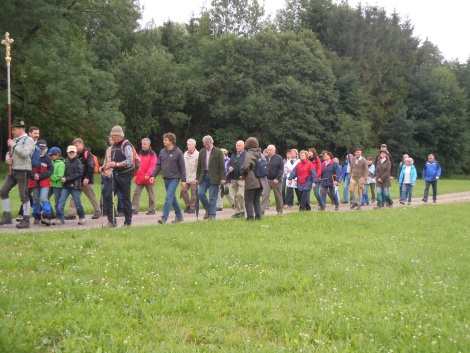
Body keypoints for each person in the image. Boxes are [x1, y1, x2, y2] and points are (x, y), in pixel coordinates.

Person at [0, 118, 36, 228]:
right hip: (13, 170)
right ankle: (7, 215)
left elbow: (25, 153)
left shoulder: (28, 140)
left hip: (23, 170)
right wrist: (7, 160)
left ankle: (26, 219)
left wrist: (14, 145)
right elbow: (9, 153)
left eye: (14, 129)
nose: (12, 132)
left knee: (23, 195)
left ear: (20, 129)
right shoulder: (14, 140)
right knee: (3, 191)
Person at [150, 133, 186, 224]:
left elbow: (182, 167)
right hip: (166, 178)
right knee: (172, 197)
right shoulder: (162, 152)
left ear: (171, 141)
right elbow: (158, 165)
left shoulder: (178, 152)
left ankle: (164, 217)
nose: (163, 141)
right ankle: (179, 216)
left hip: (175, 178)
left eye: (166, 140)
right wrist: (153, 175)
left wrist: (183, 180)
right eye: (164, 139)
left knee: (168, 196)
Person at [103, 126, 135, 227]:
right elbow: (112, 161)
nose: (111, 138)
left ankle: (128, 222)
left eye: (113, 136)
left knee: (125, 198)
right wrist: (105, 167)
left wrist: (116, 164)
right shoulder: (115, 145)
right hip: (115, 174)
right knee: (107, 195)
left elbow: (129, 161)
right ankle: (112, 221)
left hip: (125, 175)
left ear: (118, 136)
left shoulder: (126, 145)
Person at [65, 138, 101, 220]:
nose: (75, 147)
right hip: (77, 180)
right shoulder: (76, 155)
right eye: (74, 146)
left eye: (76, 145)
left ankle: (98, 211)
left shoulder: (87, 153)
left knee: (91, 196)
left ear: (82, 144)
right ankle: (71, 213)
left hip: (86, 180)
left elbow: (91, 166)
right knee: (74, 196)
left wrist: (87, 178)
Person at [53, 145, 86, 225]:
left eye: (73, 152)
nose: (71, 154)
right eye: (70, 152)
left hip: (75, 186)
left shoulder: (78, 162)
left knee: (77, 203)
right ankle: (59, 218)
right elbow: (63, 172)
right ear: (67, 153)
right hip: (66, 186)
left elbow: (79, 173)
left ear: (76, 153)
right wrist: (64, 177)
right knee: (61, 202)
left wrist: (67, 178)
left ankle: (82, 217)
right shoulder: (66, 161)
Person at [195, 135, 226, 220]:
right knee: (200, 193)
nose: (206, 146)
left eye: (208, 144)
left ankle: (212, 215)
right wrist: (197, 178)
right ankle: (208, 209)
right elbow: (199, 166)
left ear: (212, 142)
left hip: (214, 177)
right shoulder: (202, 152)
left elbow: (222, 166)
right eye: (205, 144)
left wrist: (223, 178)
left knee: (213, 197)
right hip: (203, 176)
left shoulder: (218, 152)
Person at [16, 125, 40, 221]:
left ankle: (26, 214)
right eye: (35, 133)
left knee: (29, 194)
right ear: (29, 133)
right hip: (26, 171)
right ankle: (23, 214)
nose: (37, 135)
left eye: (38, 133)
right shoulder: (25, 142)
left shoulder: (38, 146)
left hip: (34, 172)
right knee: (26, 193)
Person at [29, 140, 54, 225]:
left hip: (44, 182)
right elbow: (29, 169)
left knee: (43, 198)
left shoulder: (47, 158)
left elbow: (50, 170)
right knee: (35, 199)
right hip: (35, 182)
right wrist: (34, 175)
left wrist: (41, 176)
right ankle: (36, 215)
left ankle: (47, 215)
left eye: (43, 148)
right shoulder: (32, 157)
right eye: (40, 148)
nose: (42, 150)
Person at [240, 137, 266, 220]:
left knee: (248, 200)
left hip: (252, 179)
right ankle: (258, 217)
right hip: (261, 180)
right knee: (257, 200)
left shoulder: (249, 154)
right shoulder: (261, 154)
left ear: (247, 145)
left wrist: (243, 174)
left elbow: (245, 167)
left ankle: (250, 218)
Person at [131, 138, 157, 215]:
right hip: (140, 176)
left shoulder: (152, 154)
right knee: (136, 193)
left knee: (151, 194)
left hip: (148, 178)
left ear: (149, 144)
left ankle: (152, 209)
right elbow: (137, 164)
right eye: (142, 144)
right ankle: (134, 208)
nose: (143, 145)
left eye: (144, 144)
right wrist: (134, 174)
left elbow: (153, 165)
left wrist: (149, 174)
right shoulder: (139, 153)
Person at [260, 145, 284, 215]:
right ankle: (261, 211)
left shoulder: (278, 158)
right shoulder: (265, 158)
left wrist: (277, 178)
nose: (269, 151)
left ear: (274, 150)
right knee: (265, 195)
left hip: (276, 180)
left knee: (278, 196)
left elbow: (281, 169)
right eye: (268, 150)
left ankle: (279, 210)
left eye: (270, 150)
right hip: (267, 180)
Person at [228, 140, 246, 218]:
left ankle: (243, 211)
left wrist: (244, 175)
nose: (238, 147)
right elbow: (229, 164)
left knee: (240, 194)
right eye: (237, 145)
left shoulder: (246, 155)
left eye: (239, 145)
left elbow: (248, 167)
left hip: (242, 178)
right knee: (235, 195)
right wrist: (229, 167)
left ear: (243, 146)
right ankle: (237, 211)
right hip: (234, 177)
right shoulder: (234, 154)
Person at [181, 138, 199, 214]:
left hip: (194, 177)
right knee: (183, 190)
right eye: (188, 144)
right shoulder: (185, 154)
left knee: (193, 192)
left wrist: (198, 178)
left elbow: (199, 167)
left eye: (190, 145)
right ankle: (187, 205)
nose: (188, 146)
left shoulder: (197, 154)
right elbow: (182, 166)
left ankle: (192, 207)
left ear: (194, 145)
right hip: (186, 177)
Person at [48, 147, 65, 219]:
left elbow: (59, 174)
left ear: (58, 155)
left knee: (57, 202)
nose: (51, 157)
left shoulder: (61, 163)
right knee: (44, 199)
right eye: (50, 156)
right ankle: (51, 213)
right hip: (50, 184)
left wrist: (50, 178)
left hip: (58, 185)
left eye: (53, 155)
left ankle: (60, 217)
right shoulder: (51, 162)